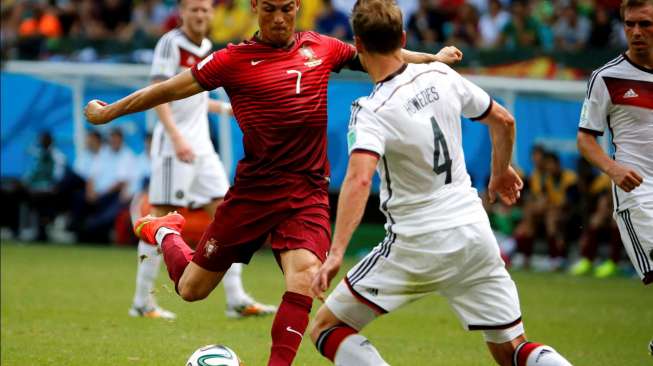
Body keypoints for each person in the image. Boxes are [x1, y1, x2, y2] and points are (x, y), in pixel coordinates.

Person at [83, 0, 463, 362]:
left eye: (285, 9)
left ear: (297, 6)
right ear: (255, 9)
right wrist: (110, 112)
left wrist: (435, 60)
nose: (279, 18)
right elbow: (167, 89)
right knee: (191, 290)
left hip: (307, 191)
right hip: (254, 193)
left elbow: (383, 56)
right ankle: (166, 232)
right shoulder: (231, 60)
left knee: (305, 279)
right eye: (269, 10)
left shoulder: (321, 47)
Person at [308, 1, 573, 365]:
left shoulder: (370, 110)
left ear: (358, 44)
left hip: (416, 242)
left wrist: (336, 252)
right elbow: (504, 121)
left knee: (325, 328)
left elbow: (358, 178)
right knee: (512, 350)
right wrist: (499, 171)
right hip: (474, 234)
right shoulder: (441, 75)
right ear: (402, 37)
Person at [129, 0, 275, 320]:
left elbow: (195, 97)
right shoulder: (170, 44)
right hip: (173, 147)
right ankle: (142, 302)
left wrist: (225, 109)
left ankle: (235, 298)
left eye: (205, 10)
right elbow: (158, 93)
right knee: (160, 220)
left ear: (212, 14)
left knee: (229, 215)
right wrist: (176, 137)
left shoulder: (208, 46)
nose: (200, 15)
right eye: (193, 9)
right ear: (182, 12)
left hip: (201, 147)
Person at [577, 0, 652, 286]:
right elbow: (585, 138)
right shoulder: (606, 77)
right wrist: (613, 169)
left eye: (645, 24)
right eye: (629, 24)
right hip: (639, 194)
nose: (636, 32)